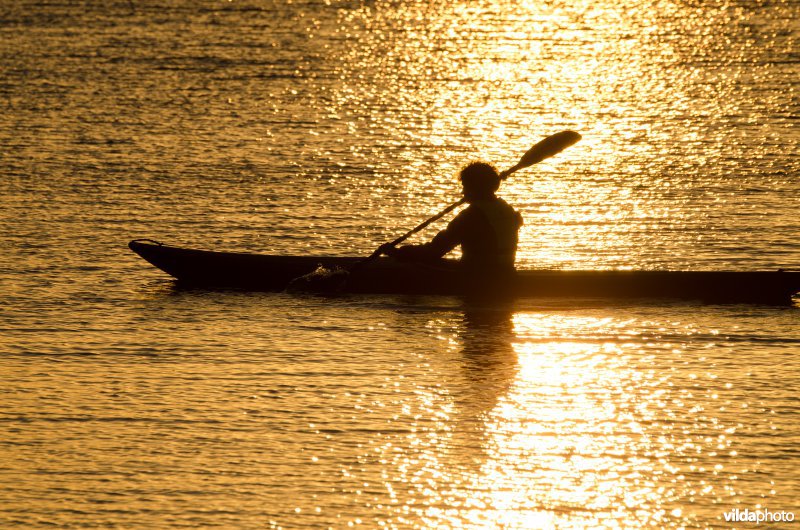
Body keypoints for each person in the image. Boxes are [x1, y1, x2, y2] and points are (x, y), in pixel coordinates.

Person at [379, 162, 523, 274]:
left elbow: (434, 251)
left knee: (412, 263)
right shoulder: (509, 211)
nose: (462, 192)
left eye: (465, 186)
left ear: (474, 187)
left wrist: (398, 252)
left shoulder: (470, 216)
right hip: (505, 273)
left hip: (477, 277)